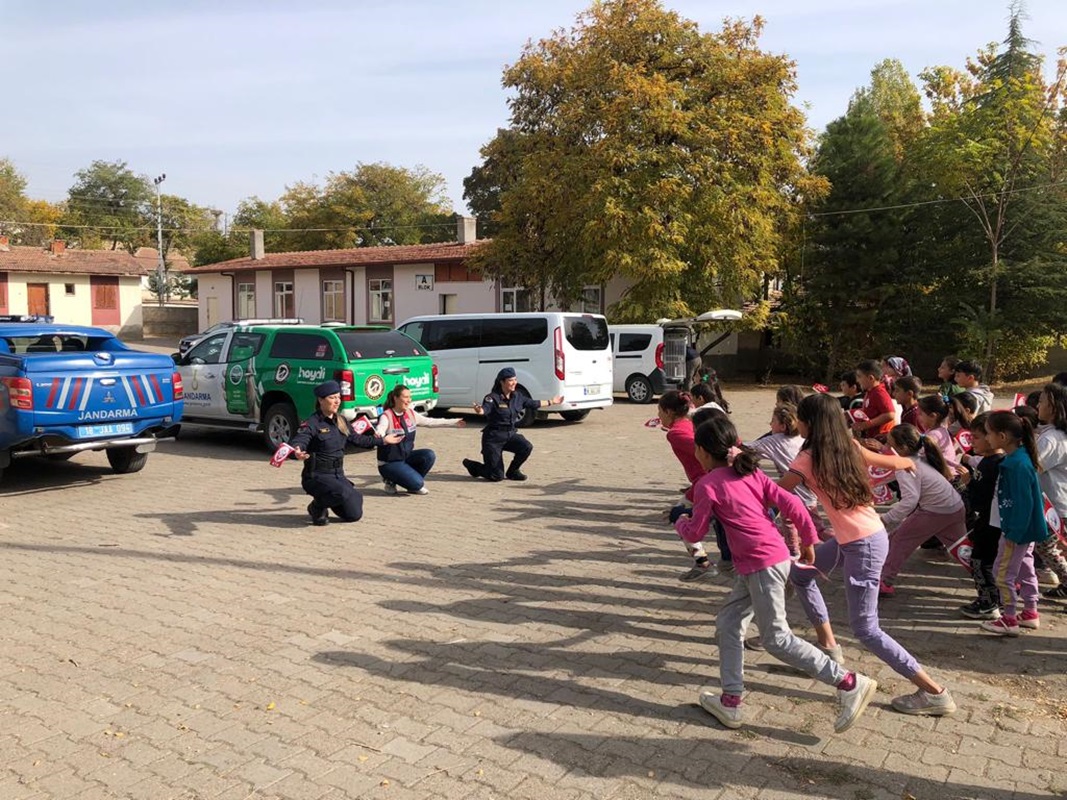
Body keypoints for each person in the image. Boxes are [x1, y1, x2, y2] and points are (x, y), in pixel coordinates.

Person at [674, 415, 878, 734]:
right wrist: (809, 540)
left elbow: (696, 529)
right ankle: (731, 702)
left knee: (776, 638)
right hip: (764, 561)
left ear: (701, 451)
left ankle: (849, 682)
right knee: (729, 624)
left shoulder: (707, 485)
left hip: (762, 565)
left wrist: (680, 523)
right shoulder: (751, 473)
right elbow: (793, 505)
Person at [781, 393, 957, 716]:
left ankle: (934, 692)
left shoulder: (805, 459)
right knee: (802, 575)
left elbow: (777, 494)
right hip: (864, 536)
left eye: (800, 419)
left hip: (862, 545)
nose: (797, 424)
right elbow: (889, 462)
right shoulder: (847, 445)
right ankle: (830, 648)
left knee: (866, 629)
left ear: (810, 423)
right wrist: (907, 461)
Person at [289, 380, 403, 526]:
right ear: (320, 400)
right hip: (316, 476)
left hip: (337, 475)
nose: (337, 401)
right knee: (341, 492)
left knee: (354, 514)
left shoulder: (341, 420)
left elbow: (357, 439)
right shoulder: (312, 423)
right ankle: (317, 507)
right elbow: (299, 440)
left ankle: (329, 499)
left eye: (338, 397)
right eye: (332, 398)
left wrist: (383, 441)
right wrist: (297, 451)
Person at [877, 424, 967, 597]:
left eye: (890, 445)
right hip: (954, 507)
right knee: (962, 549)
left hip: (935, 511)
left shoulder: (905, 467)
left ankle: (884, 581)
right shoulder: (920, 457)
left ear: (902, 448)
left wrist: (886, 518)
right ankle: (992, 578)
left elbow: (910, 500)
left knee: (897, 540)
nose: (887, 449)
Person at [980, 411, 1045, 635]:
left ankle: (1009, 618)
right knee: (1025, 568)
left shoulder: (1017, 465)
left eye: (988, 434)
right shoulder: (1018, 459)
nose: (986, 438)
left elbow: (1023, 503)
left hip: (1016, 531)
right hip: (1019, 530)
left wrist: (1013, 533)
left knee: (1002, 571)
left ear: (1003, 437)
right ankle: (1030, 611)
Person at [658, 390, 718, 581]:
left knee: (678, 515)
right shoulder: (688, 423)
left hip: (706, 482)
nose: (658, 416)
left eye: (659, 411)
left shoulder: (675, 433)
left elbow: (704, 449)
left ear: (668, 412)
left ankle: (704, 564)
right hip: (707, 480)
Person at [462, 367, 561, 482]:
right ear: (502, 382)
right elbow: (485, 409)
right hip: (493, 438)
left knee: (526, 447)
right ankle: (474, 467)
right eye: (510, 380)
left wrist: (552, 402)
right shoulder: (492, 397)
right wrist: (479, 410)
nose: (514, 383)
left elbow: (533, 403)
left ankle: (513, 471)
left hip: (510, 434)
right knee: (496, 476)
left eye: (515, 379)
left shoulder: (518, 396)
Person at [373, 385, 465, 495]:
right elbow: (380, 429)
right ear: (395, 398)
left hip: (404, 457)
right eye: (405, 397)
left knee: (429, 455)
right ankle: (391, 481)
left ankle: (412, 482)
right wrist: (380, 435)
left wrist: (454, 422)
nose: (409, 400)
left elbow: (430, 422)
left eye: (410, 397)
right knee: (418, 484)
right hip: (389, 463)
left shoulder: (410, 413)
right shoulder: (386, 416)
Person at [958, 413, 1004, 620]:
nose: (971, 442)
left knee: (980, 561)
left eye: (975, 437)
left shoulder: (990, 464)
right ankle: (995, 601)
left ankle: (988, 603)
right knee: (990, 562)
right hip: (994, 520)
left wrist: (968, 483)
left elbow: (979, 499)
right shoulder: (997, 460)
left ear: (993, 437)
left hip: (989, 521)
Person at [1035, 383, 1067, 598]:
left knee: (1045, 547)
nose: (1038, 405)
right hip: (1056, 502)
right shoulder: (1053, 434)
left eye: (1041, 401)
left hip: (1055, 506)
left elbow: (1033, 466)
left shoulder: (1052, 439)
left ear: (1053, 407)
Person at [853, 360, 896, 442]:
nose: (857, 380)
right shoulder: (870, 392)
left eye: (859, 376)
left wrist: (866, 425)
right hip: (872, 436)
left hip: (880, 439)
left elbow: (890, 414)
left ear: (870, 378)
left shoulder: (879, 393)